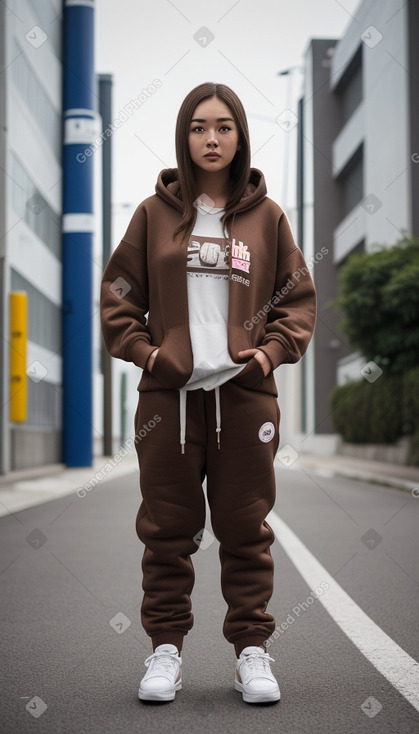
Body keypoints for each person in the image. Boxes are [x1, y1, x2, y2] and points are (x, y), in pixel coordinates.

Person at [100, 82, 317, 705]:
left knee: (246, 529)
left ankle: (253, 651)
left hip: (246, 398)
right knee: (166, 531)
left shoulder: (267, 217)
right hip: (168, 403)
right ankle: (164, 651)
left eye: (224, 127)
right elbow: (118, 299)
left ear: (240, 135)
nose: (212, 138)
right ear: (183, 136)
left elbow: (297, 300)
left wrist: (269, 353)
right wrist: (149, 354)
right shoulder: (153, 214)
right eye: (199, 127)